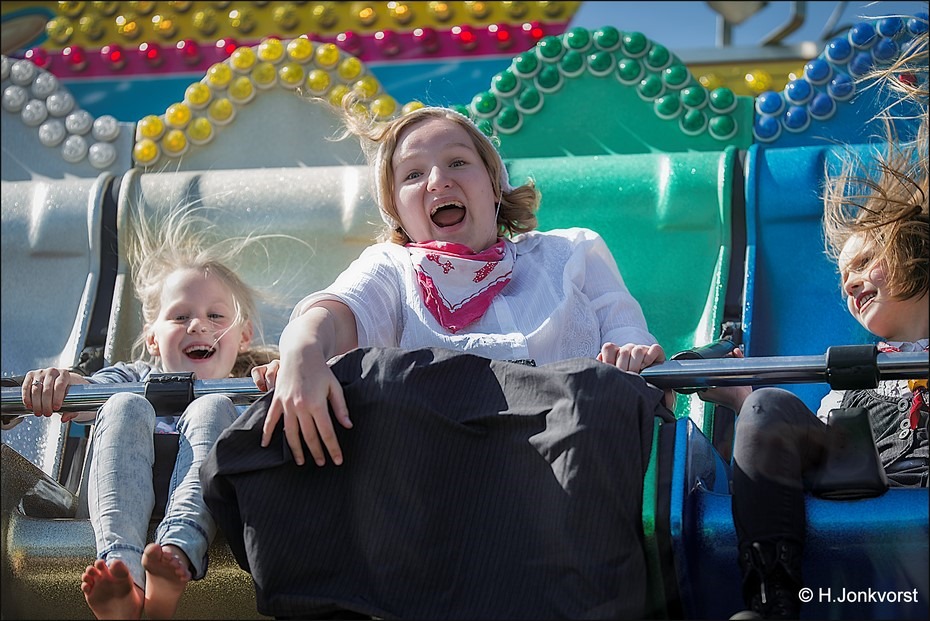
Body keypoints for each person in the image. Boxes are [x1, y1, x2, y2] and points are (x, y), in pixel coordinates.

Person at [202, 102, 675, 619]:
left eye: (457, 163)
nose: (437, 181)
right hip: (434, 476)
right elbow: (333, 313)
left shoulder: (571, 252)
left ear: (493, 186)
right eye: (413, 174)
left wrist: (631, 355)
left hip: (557, 449)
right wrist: (300, 355)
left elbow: (627, 338)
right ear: (398, 212)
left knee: (595, 391)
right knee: (370, 379)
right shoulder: (393, 267)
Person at [702, 28, 928, 620]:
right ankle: (773, 595)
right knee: (771, 408)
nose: (849, 282)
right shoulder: (855, 377)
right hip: (858, 465)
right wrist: (743, 399)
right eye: (842, 275)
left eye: (863, 261)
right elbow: (810, 447)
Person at [21, 206, 282, 620]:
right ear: (153, 337)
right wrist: (60, 384)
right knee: (124, 403)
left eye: (216, 316)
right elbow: (87, 394)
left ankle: (174, 555)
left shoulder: (250, 388)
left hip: (210, 508)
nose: (199, 325)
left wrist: (288, 378)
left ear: (243, 334)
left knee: (213, 405)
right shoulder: (131, 376)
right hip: (118, 496)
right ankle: (122, 569)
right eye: (180, 316)